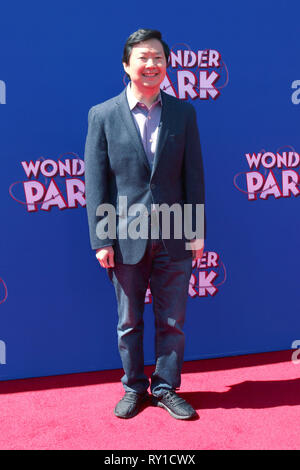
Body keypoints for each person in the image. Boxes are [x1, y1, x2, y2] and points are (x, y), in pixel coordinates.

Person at [84, 29, 206, 420]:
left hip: (174, 235)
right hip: (124, 238)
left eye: (157, 58)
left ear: (166, 65)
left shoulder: (184, 113)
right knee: (128, 321)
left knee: (173, 321)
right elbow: (96, 182)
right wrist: (101, 238)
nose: (151, 65)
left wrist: (196, 230)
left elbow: (194, 176)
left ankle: (166, 387)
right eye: (143, 58)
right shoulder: (102, 115)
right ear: (127, 65)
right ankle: (134, 388)